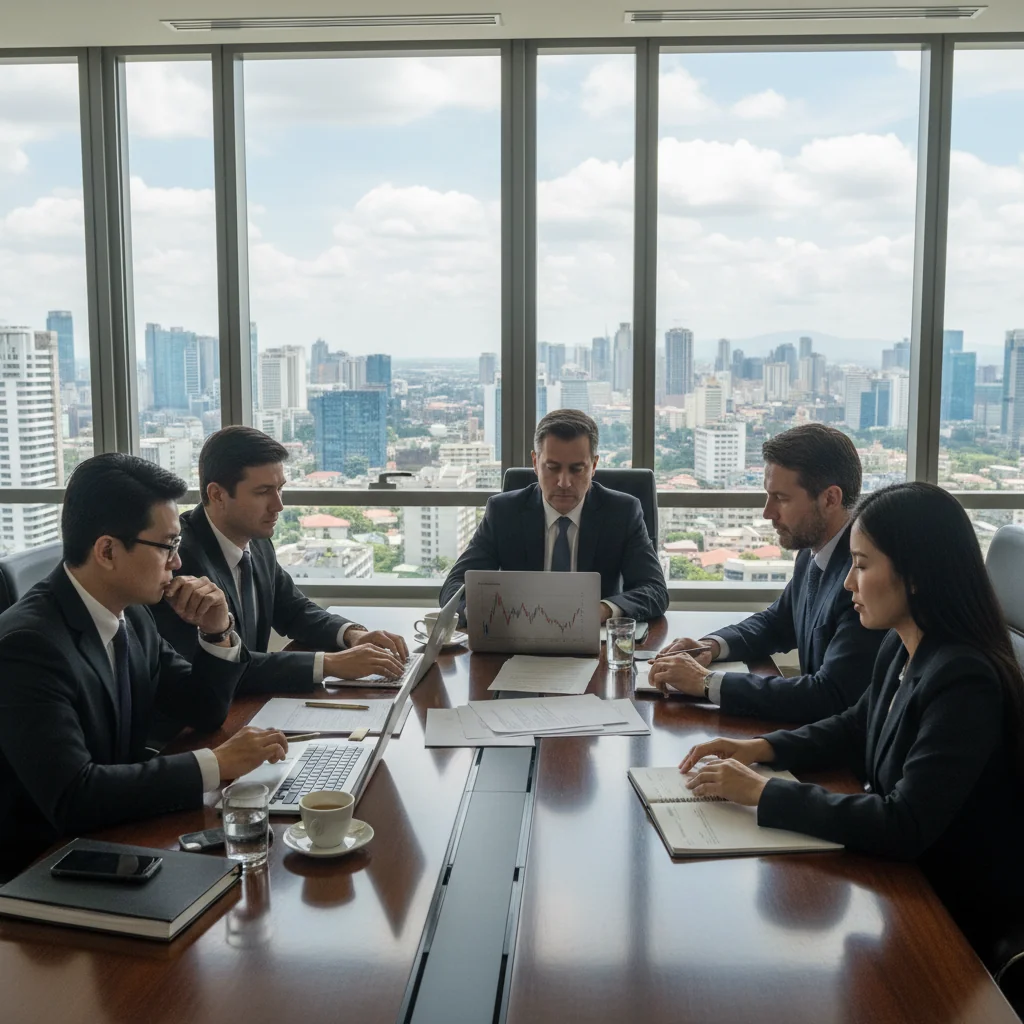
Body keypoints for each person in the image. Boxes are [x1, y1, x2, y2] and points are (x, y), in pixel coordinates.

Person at [678, 482, 1024, 963]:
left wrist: (762, 792)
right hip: (900, 887)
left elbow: (904, 823)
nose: (847, 582)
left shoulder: (965, 680)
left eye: (861, 566)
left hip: (948, 921)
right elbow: (856, 725)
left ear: (916, 575)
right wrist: (760, 749)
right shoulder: (903, 643)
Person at [0, 454, 289, 878]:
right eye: (168, 545)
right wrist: (217, 764)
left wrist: (216, 631)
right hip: (42, 873)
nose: (177, 562)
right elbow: (74, 795)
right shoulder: (27, 647)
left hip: (116, 837)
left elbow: (202, 707)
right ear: (107, 551)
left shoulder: (130, 613)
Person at [649, 423, 884, 722]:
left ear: (830, 498)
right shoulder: (815, 551)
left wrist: (706, 683)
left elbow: (830, 695)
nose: (767, 512)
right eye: (767, 495)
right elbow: (778, 623)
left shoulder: (863, 579)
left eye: (781, 498)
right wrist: (710, 646)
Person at [151, 427, 408, 694]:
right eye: (263, 492)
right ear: (217, 495)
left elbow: (293, 609)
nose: (278, 505)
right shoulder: (180, 561)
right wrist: (329, 664)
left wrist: (352, 634)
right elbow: (219, 668)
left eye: (280, 489)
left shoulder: (257, 539)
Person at [439, 409, 668, 624]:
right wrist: (486, 616)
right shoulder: (504, 512)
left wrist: (602, 610)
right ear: (535, 463)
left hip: (596, 646)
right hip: (517, 642)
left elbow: (654, 589)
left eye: (577, 469)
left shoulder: (622, 512)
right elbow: (454, 587)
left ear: (594, 465)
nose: (564, 482)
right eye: (552, 467)